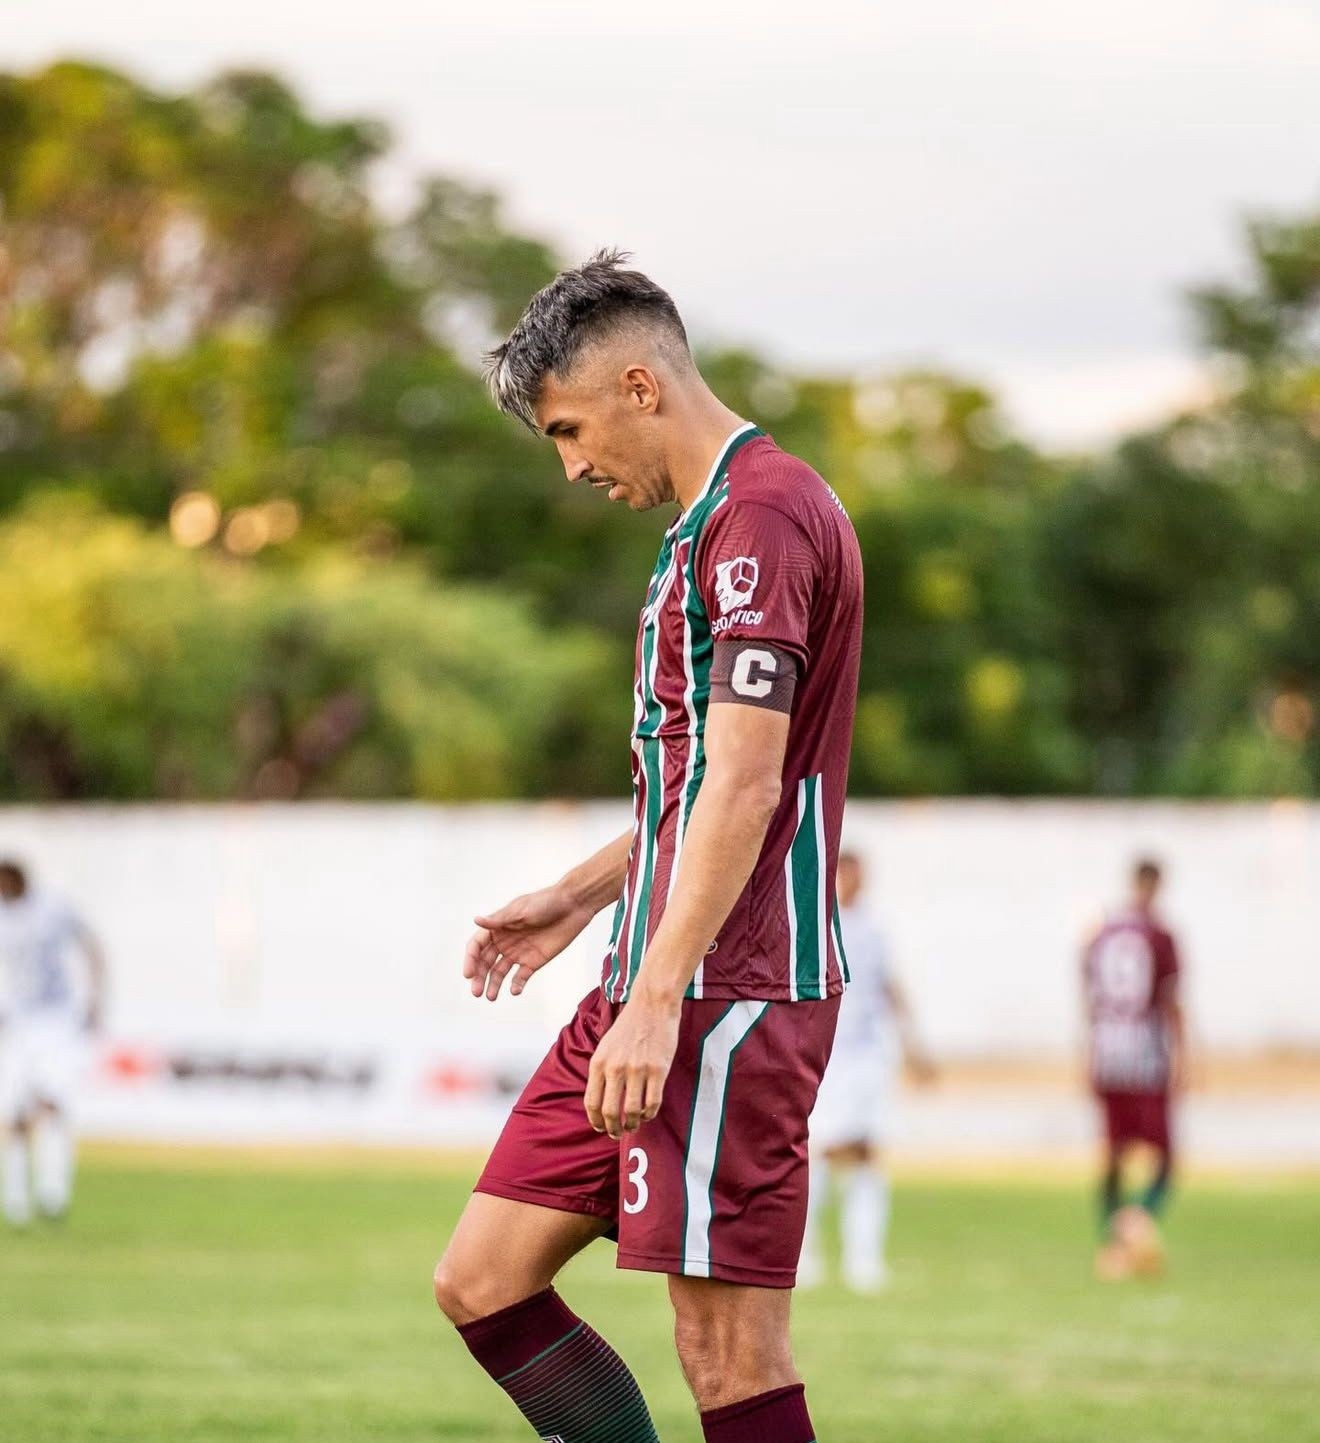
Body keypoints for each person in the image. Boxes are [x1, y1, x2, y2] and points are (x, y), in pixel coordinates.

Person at [432, 251, 863, 1443]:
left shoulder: (762, 519)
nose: (573, 466)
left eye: (570, 430)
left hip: (727, 988)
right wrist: (581, 896)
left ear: (637, 386)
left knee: (728, 1355)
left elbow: (748, 782)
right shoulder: (708, 526)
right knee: (483, 1278)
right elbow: (700, 778)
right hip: (653, 970)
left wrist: (661, 993)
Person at [799, 849, 933, 1292]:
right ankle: (805, 1256)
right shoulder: (816, 924)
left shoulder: (875, 928)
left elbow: (888, 985)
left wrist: (913, 1045)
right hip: (828, 1056)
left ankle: (864, 1258)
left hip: (868, 1057)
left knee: (869, 1152)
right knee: (817, 1153)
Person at [1081, 857, 1185, 1279]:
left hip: (1108, 1051)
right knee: (1163, 1156)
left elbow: (1090, 999)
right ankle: (1134, 1226)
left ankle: (1114, 1242)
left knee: (1115, 1150)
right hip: (1145, 1054)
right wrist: (1186, 1056)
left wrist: (1088, 1052)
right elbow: (1169, 999)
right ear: (1157, 885)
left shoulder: (1103, 933)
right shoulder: (1160, 935)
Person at [0, 859, 107, 1226]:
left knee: (52, 1104)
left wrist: (95, 998)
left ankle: (52, 1194)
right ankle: (14, 1201)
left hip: (55, 1020)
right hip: (15, 1023)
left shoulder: (53, 908)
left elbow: (90, 943)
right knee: (14, 1115)